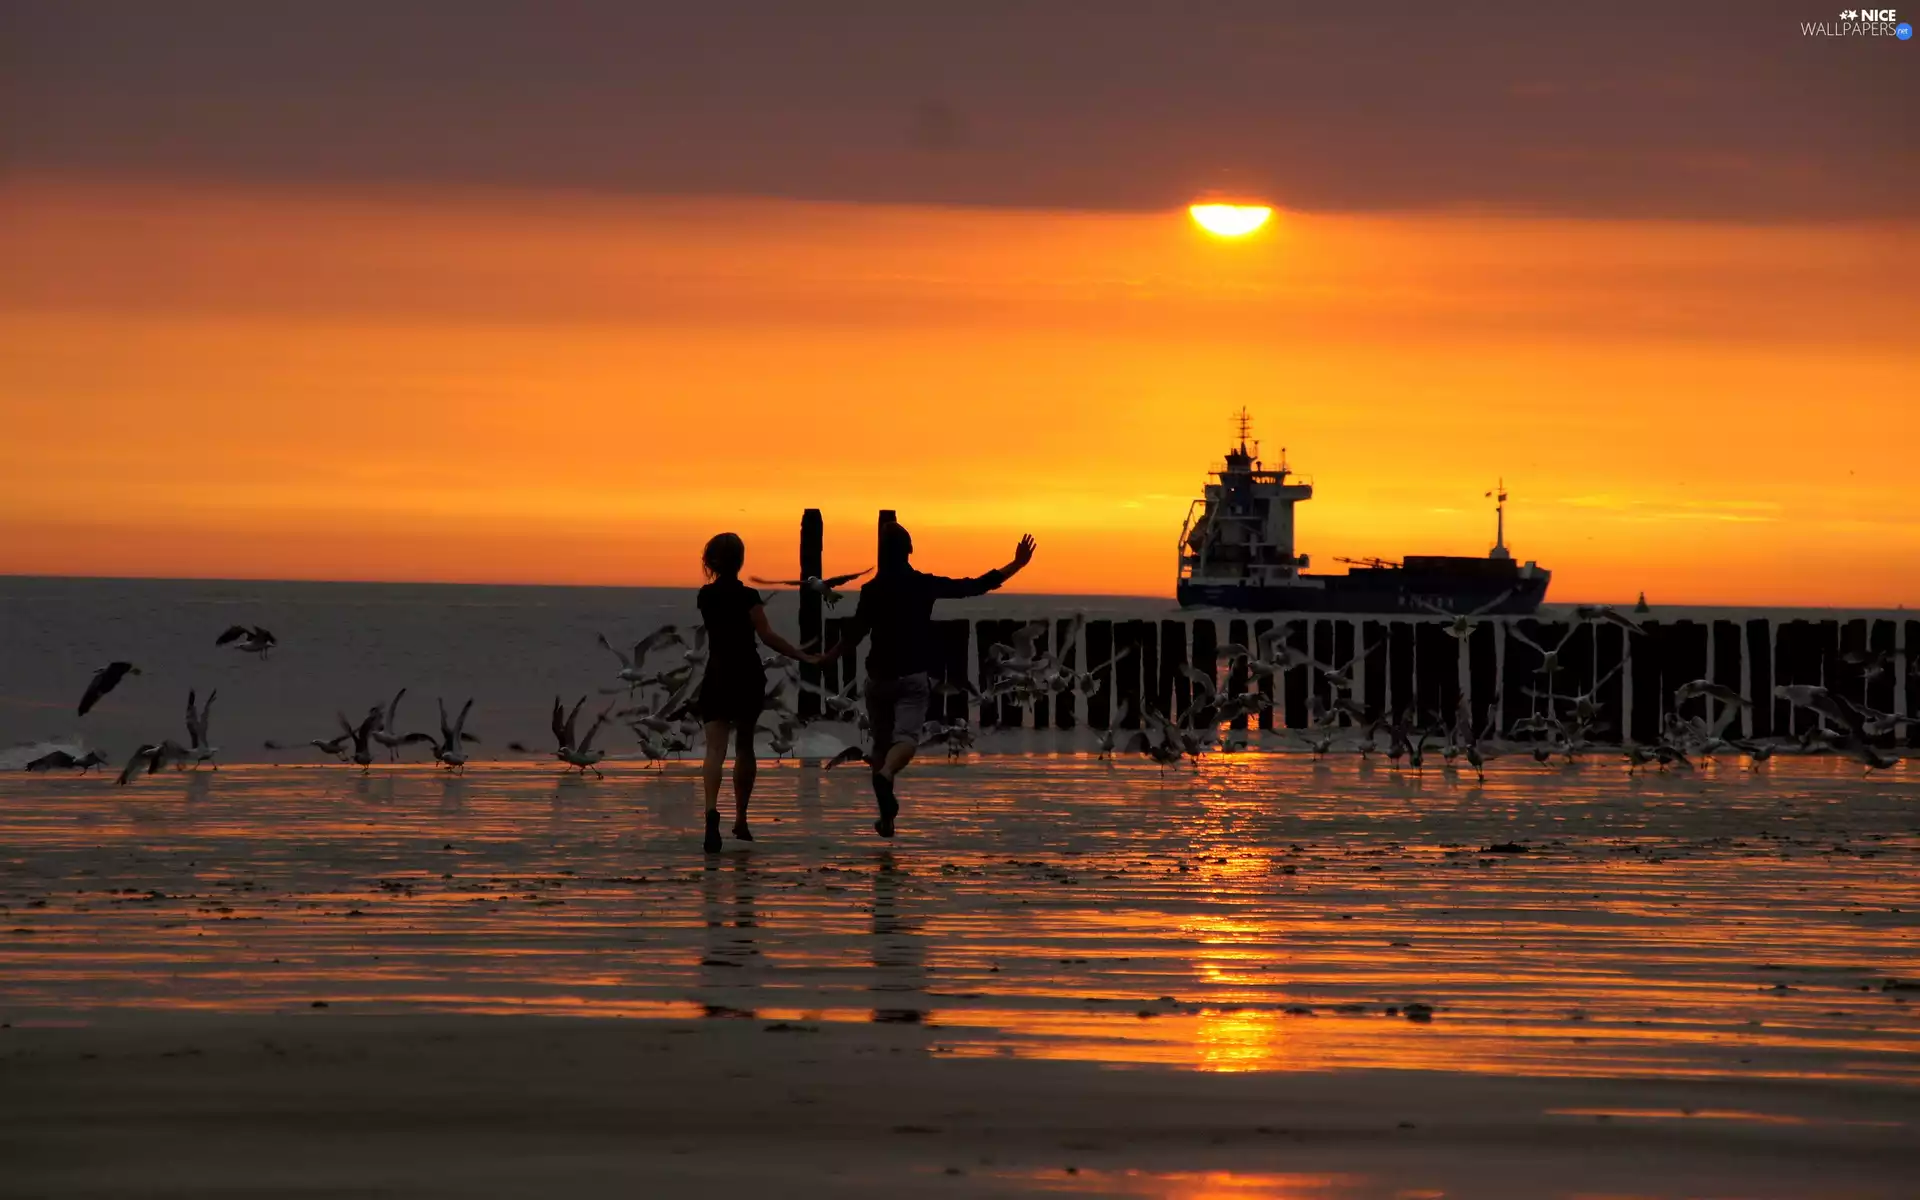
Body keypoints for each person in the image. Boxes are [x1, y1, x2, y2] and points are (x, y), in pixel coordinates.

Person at [820, 524, 1035, 838]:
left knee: (880, 745)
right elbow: (972, 586)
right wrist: (1016, 565)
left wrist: (825, 657)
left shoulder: (872, 590)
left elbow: (854, 634)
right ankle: (888, 776)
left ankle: (886, 819)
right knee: (905, 739)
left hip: (879, 677)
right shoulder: (922, 584)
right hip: (912, 677)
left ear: (882, 554)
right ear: (910, 550)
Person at [694, 533, 817, 853]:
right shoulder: (749, 596)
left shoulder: (704, 596)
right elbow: (767, 636)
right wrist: (801, 655)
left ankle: (710, 812)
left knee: (714, 750)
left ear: (710, 561)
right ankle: (741, 818)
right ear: (740, 561)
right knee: (744, 747)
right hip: (746, 675)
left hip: (717, 674)